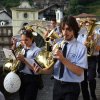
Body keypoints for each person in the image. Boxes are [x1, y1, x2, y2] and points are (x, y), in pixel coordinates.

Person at [33, 16, 88, 100]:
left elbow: (79, 72)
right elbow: (52, 69)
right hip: (57, 85)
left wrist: (62, 59)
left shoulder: (81, 48)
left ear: (74, 29)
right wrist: (41, 71)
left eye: (68, 29)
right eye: (63, 29)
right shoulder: (56, 45)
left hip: (72, 87)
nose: (65, 32)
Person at [16, 29, 43, 100]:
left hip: (32, 79)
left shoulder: (37, 50)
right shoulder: (23, 49)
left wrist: (24, 60)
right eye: (22, 40)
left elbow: (37, 68)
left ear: (32, 39)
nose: (24, 42)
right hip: (22, 77)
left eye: (26, 40)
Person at [77, 19, 100, 100]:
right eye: (86, 25)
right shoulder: (80, 35)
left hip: (92, 58)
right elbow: (77, 47)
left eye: (90, 25)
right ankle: (85, 97)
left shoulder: (97, 35)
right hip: (82, 58)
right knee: (83, 80)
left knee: (91, 78)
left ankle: (93, 94)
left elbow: (98, 49)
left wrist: (93, 42)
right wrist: (83, 45)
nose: (88, 27)